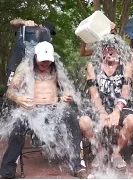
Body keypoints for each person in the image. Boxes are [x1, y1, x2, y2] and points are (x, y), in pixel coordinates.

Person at [0, 41, 87, 178]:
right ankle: (7, 170)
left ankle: (77, 165)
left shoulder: (56, 68)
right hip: (31, 109)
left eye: (48, 60)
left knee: (71, 116)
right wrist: (19, 99)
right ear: (35, 56)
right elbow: (10, 92)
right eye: (42, 60)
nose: (45, 63)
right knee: (17, 126)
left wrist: (66, 95)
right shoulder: (25, 68)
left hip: (54, 108)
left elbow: (68, 88)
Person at [78, 34, 133, 171]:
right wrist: (101, 112)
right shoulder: (92, 66)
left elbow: (126, 91)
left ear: (119, 49)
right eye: (106, 48)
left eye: (113, 47)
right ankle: (100, 151)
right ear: (101, 50)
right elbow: (93, 94)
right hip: (100, 106)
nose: (110, 51)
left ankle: (117, 153)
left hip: (121, 105)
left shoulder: (126, 66)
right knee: (83, 121)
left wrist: (117, 111)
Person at [6, 18, 56, 88]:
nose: (47, 34)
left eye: (50, 33)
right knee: (12, 88)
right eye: (46, 31)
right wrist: (24, 22)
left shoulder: (46, 44)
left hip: (31, 69)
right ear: (40, 27)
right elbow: (13, 22)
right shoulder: (27, 30)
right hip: (15, 65)